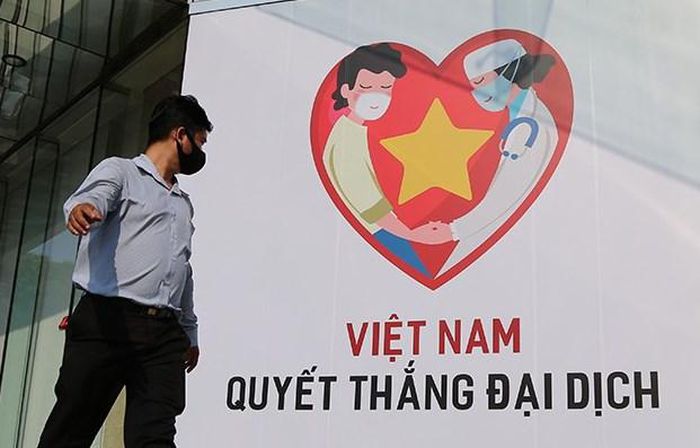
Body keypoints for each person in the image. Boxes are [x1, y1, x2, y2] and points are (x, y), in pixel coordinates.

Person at [38, 95, 212, 447]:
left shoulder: (182, 203)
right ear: (180, 135)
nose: (201, 152)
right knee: (72, 427)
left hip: (164, 332)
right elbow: (96, 195)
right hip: (107, 320)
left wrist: (189, 332)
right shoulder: (121, 172)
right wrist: (83, 208)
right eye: (200, 141)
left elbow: (182, 269)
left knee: (155, 436)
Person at [323, 43, 452, 276]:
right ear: (346, 90)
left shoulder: (354, 131)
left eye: (385, 88)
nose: (376, 96)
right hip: (380, 235)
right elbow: (370, 207)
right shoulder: (346, 141)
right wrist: (415, 235)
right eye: (366, 87)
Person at [440, 39, 558, 275]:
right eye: (472, 86)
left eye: (480, 82)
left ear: (509, 71)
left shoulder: (534, 125)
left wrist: (454, 231)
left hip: (510, 244)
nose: (476, 92)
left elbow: (509, 191)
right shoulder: (513, 115)